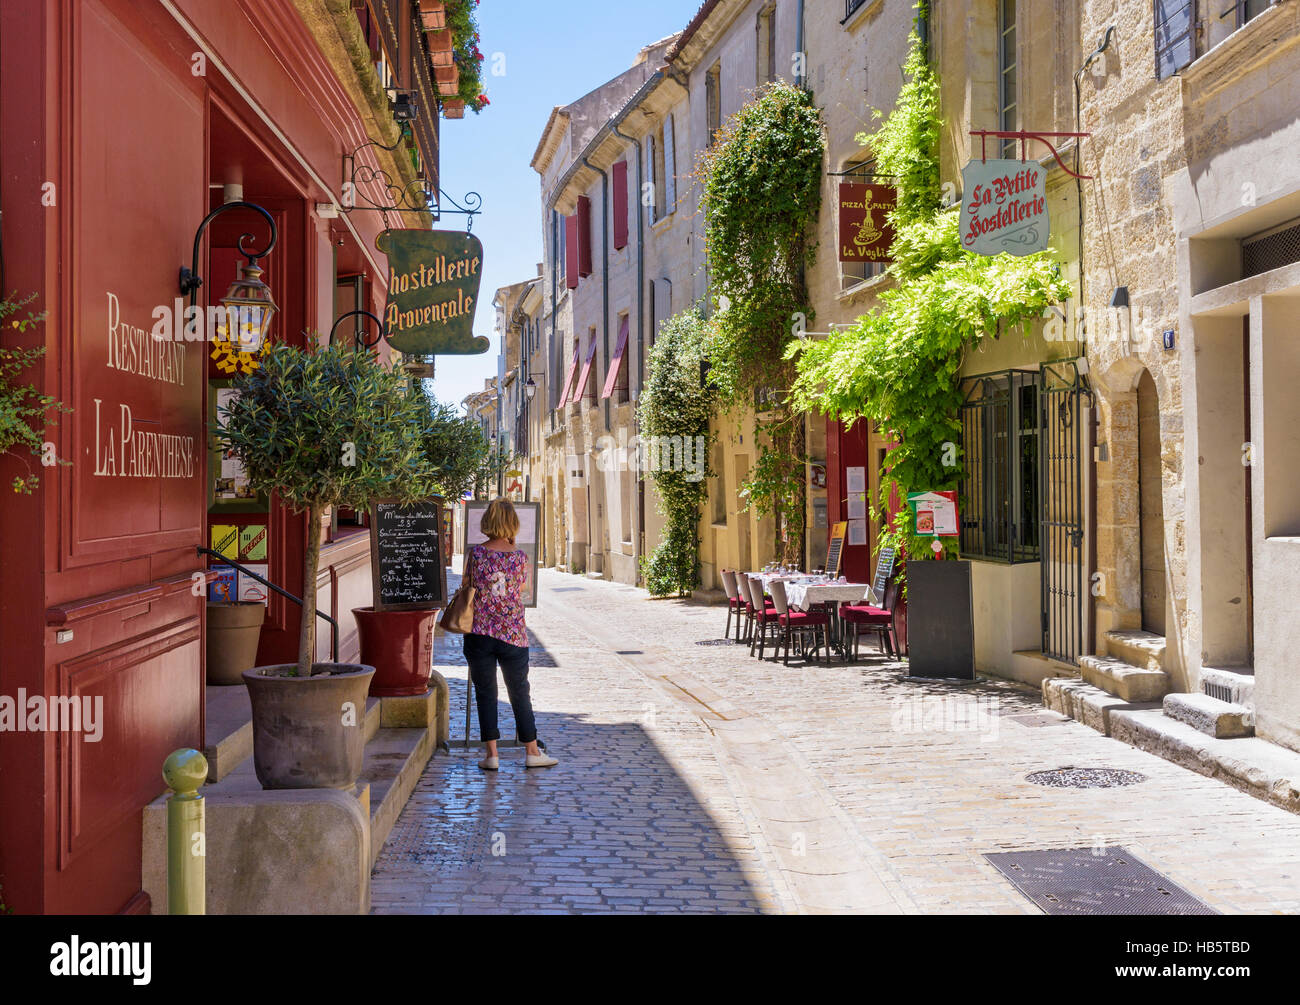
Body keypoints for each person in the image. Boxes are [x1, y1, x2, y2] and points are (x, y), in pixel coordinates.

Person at [463, 498, 557, 771]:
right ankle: (531, 751)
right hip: (513, 633)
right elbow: (521, 590)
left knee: (485, 692)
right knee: (519, 692)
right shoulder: (520, 557)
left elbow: (467, 585)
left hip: (480, 631)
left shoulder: (476, 554)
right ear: (512, 523)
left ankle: (492, 755)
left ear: (487, 523)